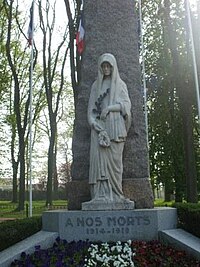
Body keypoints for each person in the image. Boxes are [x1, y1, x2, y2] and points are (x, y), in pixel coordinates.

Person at [87, 53, 132, 203]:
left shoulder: (121, 85)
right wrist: (94, 124)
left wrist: (110, 108)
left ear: (113, 67)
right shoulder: (95, 86)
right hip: (100, 129)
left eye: (108, 66)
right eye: (103, 66)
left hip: (116, 128)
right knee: (100, 164)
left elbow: (126, 106)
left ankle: (117, 195)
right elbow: (90, 111)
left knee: (116, 164)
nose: (106, 68)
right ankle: (101, 196)